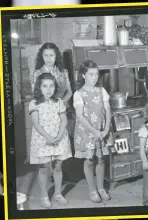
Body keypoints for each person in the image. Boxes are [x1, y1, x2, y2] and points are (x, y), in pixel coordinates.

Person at [29, 72, 72, 208]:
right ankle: (44, 195)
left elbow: (64, 120)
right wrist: (48, 138)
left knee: (58, 166)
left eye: (51, 86)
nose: (48, 90)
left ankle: (58, 193)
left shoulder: (59, 102)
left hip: (59, 138)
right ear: (39, 88)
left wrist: (58, 137)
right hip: (43, 139)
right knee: (44, 168)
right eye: (45, 86)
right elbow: (36, 123)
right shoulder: (34, 103)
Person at [73, 60, 112, 203]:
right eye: (91, 74)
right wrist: (94, 131)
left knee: (101, 159)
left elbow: (108, 110)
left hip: (102, 130)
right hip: (87, 131)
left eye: (96, 74)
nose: (94, 77)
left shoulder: (102, 91)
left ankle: (101, 188)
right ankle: (92, 190)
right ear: (83, 75)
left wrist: (106, 128)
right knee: (89, 160)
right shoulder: (78, 94)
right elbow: (79, 116)